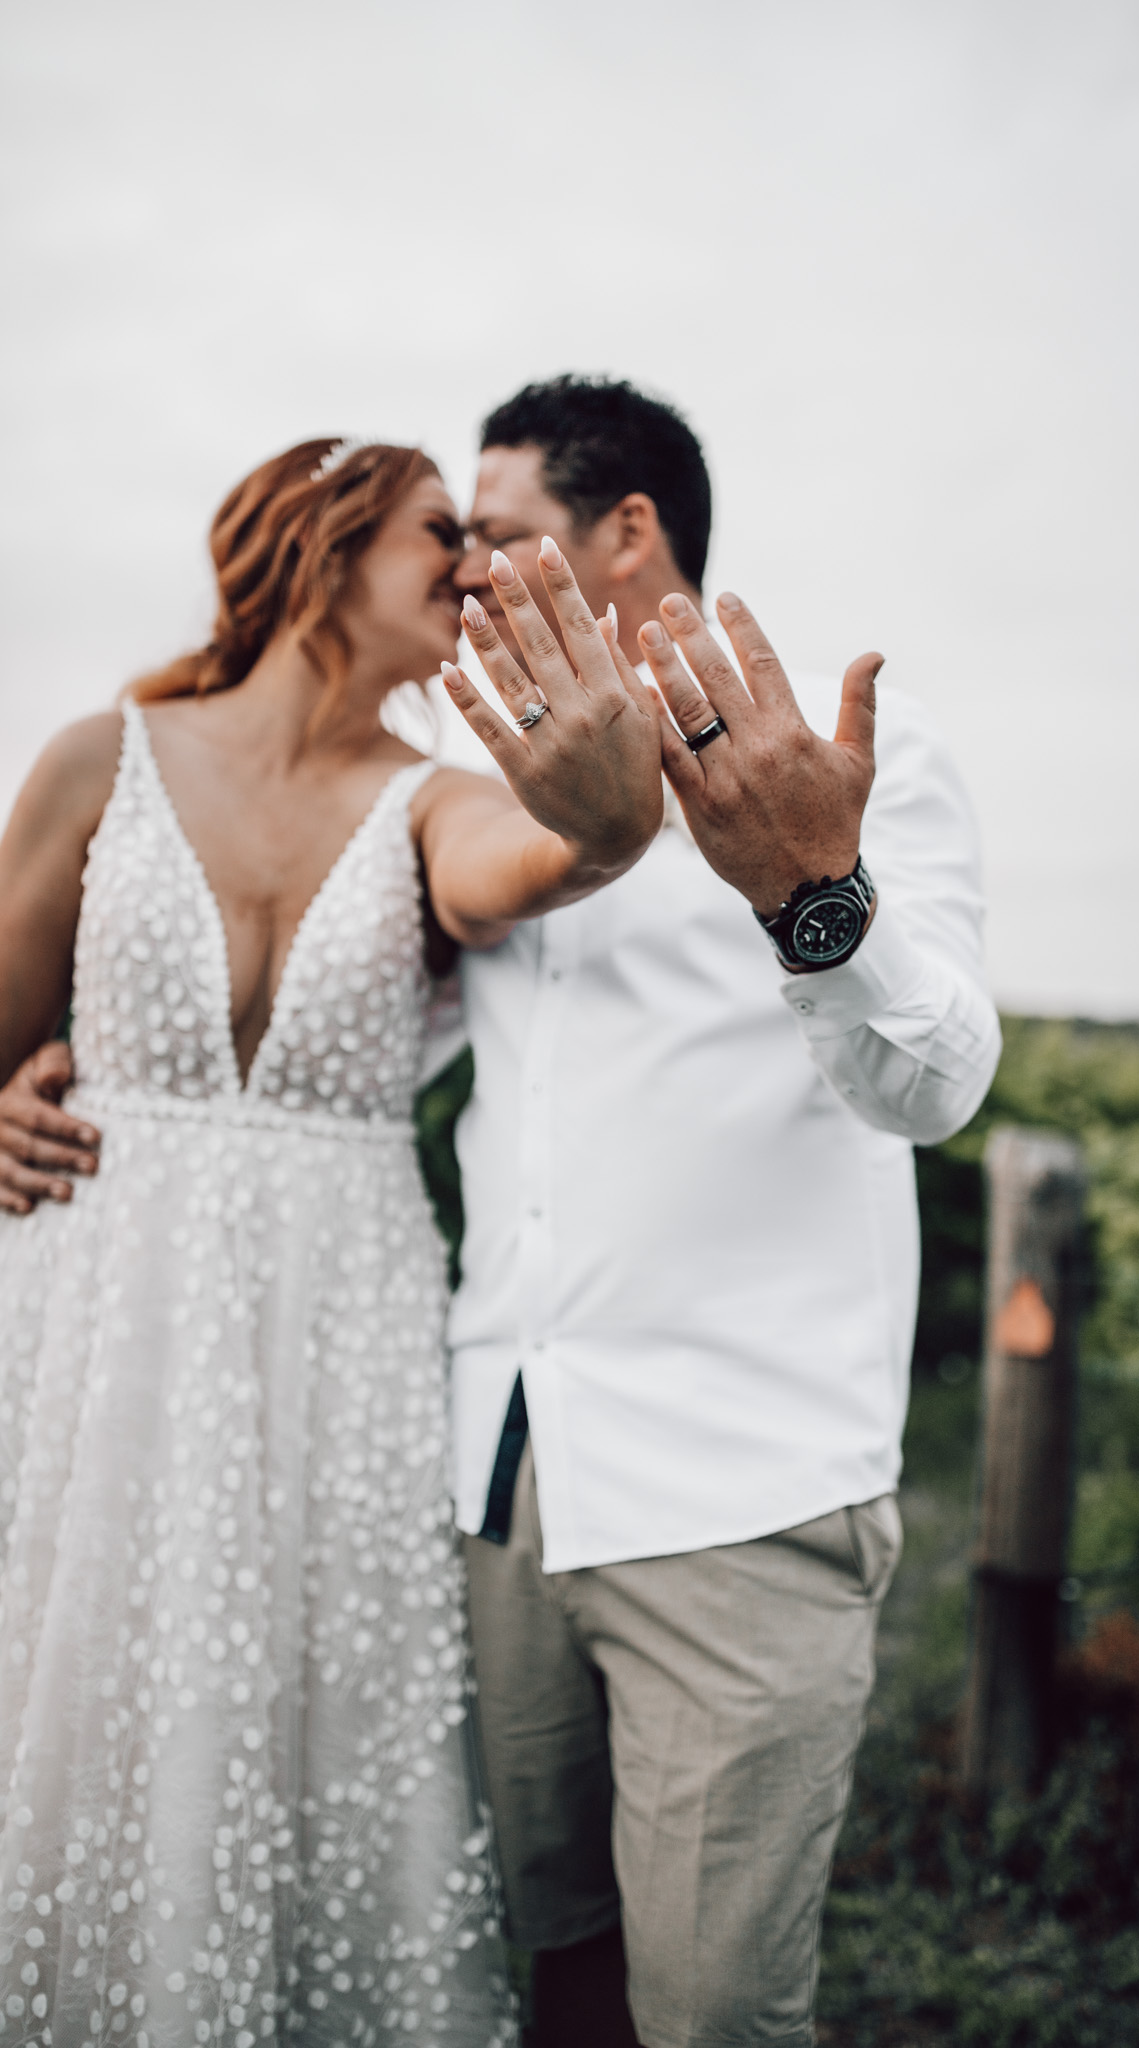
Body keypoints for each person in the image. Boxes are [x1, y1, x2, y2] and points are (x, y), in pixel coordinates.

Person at [1, 379, 1002, 2048]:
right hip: (487, 1475)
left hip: (731, 1480)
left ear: (630, 531)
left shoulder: (832, 759)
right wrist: (51, 1072)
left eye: (504, 537)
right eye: (451, 544)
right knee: (548, 1967)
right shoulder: (460, 765)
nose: (472, 575)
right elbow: (303, 1011)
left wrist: (809, 896)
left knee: (713, 2010)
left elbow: (938, 1083)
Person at [0, 435, 664, 2043]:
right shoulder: (96, 761)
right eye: (440, 532)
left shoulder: (441, 803)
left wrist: (601, 827)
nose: (472, 568)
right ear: (322, 538)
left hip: (340, 1340)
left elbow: (523, 867)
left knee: (327, 1713)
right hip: (97, 1323)